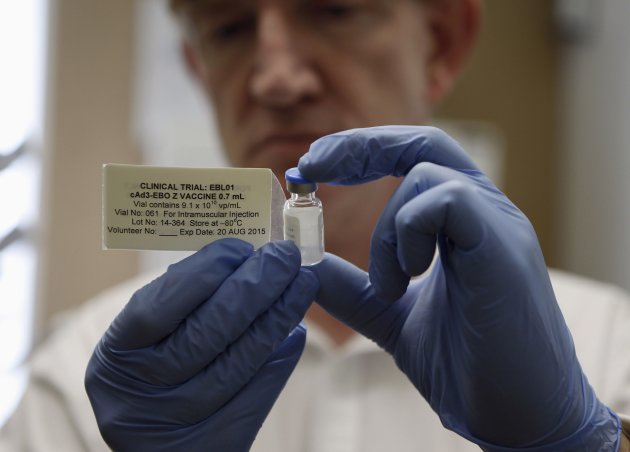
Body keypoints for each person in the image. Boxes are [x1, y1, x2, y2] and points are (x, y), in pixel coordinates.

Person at [2, 0, 630, 450]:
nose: (275, 79)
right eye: (229, 27)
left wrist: (579, 445)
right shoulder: (89, 380)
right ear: (198, 68)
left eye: (333, 11)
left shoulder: (608, 351)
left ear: (440, 43)